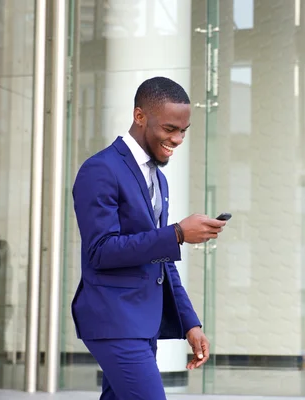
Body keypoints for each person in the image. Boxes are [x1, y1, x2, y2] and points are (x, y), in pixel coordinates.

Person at [71, 76, 227, 399]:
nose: (178, 139)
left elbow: (161, 258)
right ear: (139, 116)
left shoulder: (159, 180)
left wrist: (189, 323)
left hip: (142, 325)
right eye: (170, 128)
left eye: (183, 131)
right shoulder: (100, 170)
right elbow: (100, 251)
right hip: (114, 321)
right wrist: (179, 234)